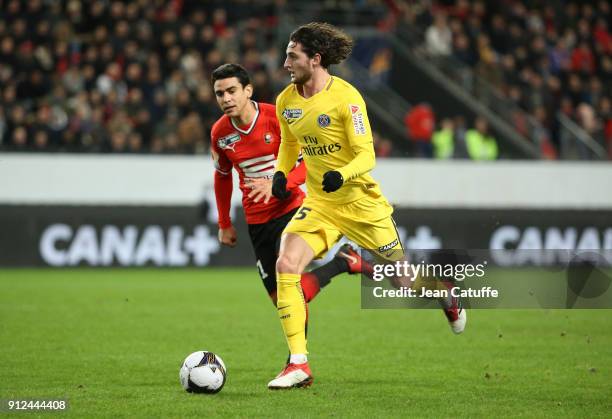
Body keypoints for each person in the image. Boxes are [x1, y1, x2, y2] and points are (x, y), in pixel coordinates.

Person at [268, 22, 466, 390]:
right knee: (286, 263)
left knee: (404, 281)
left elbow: (367, 155)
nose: (285, 64)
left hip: (361, 204)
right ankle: (299, 364)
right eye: (286, 56)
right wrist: (281, 173)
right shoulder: (286, 101)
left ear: (315, 58)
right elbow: (290, 146)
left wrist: (341, 175)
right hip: (322, 204)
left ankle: (444, 293)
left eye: (292, 56)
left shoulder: (347, 98)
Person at [209, 63, 366, 315]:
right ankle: (344, 260)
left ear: (248, 90)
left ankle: (297, 355)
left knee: (290, 287)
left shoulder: (276, 117)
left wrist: (280, 184)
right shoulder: (220, 133)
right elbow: (222, 177)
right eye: (220, 94)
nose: (226, 98)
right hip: (257, 220)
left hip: (291, 208)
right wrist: (224, 222)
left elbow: (309, 164)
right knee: (280, 300)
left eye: (231, 91)